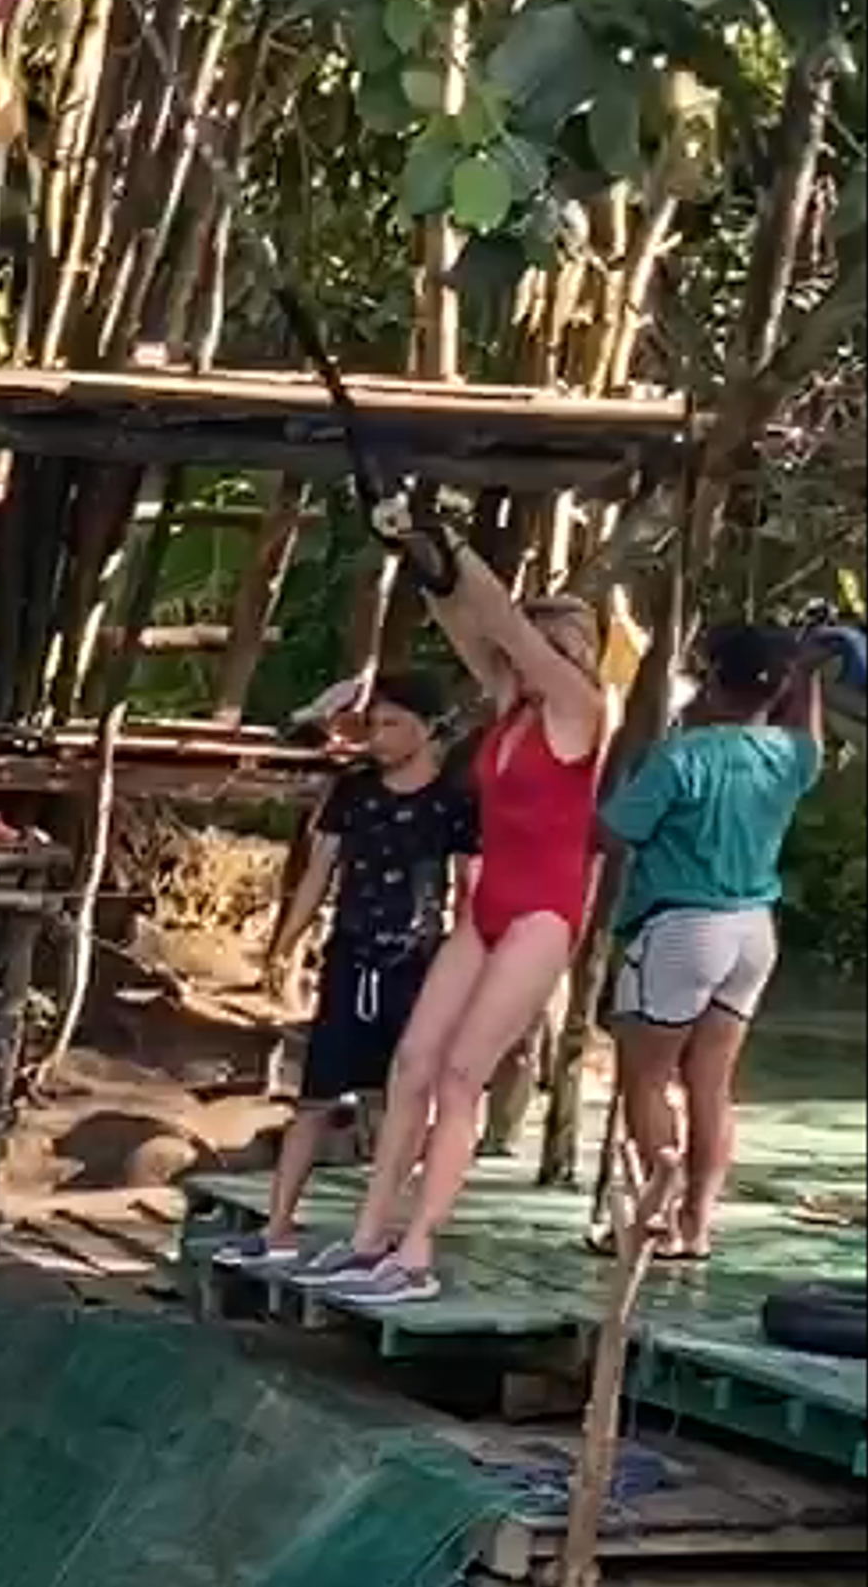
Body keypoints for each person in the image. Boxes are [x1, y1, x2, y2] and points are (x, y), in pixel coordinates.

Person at [310, 507, 617, 1299]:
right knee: (412, 1062)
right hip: (487, 908)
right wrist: (416, 552)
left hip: (543, 912)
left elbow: (503, 625)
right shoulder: (511, 710)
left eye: (534, 648)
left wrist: (450, 540)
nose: (512, 658)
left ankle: (416, 1253)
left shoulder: (581, 711)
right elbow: (462, 617)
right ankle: (369, 1236)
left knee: (458, 1075)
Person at [227, 669, 477, 1264]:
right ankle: (277, 1226)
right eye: (373, 724)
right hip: (349, 953)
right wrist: (284, 943)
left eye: (392, 724)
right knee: (313, 1097)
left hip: (416, 961)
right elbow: (319, 871)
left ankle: (384, 1226)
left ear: (428, 729)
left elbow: (470, 886)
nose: (379, 737)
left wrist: (470, 965)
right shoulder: (354, 789)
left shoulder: (454, 799)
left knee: (400, 1098)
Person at [599, 617, 827, 1265]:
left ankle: (659, 1217)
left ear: (711, 678)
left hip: (680, 926)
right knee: (711, 1082)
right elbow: (808, 735)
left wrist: (620, 764)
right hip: (753, 930)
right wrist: (807, 676)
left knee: (644, 1078)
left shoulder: (682, 756)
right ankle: (697, 1225)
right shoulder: (788, 755)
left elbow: (614, 833)